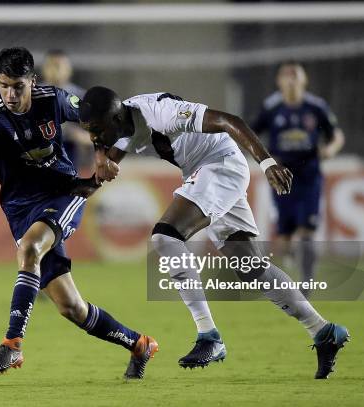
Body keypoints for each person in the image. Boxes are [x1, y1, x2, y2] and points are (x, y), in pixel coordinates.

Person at [80, 86, 349, 379]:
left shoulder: (161, 114)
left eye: (96, 130)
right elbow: (101, 170)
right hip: (205, 172)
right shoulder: (119, 125)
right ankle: (323, 331)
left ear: (115, 120)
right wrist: (80, 181)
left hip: (221, 165)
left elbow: (230, 121)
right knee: (250, 268)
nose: (94, 138)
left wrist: (267, 163)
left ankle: (209, 336)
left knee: (166, 237)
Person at [0, 47, 157, 380]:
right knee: (71, 308)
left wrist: (101, 156)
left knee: (29, 249)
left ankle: (13, 343)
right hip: (20, 208)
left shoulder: (54, 99)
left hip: (63, 192)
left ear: (32, 80)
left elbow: (94, 120)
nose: (10, 94)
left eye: (17, 86)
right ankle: (139, 344)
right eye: (3, 85)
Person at [251, 61, 345, 293]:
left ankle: (307, 283)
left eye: (295, 76)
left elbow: (336, 135)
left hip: (309, 176)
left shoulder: (316, 107)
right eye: (286, 75)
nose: (291, 80)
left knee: (307, 230)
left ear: (304, 80)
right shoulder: (271, 108)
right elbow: (251, 135)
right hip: (281, 177)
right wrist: (267, 160)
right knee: (284, 237)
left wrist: (330, 150)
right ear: (279, 82)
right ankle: (293, 259)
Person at [41, 49, 93, 171]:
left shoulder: (81, 97)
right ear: (44, 69)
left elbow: (96, 135)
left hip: (70, 152)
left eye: (60, 66)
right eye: (53, 66)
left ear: (69, 69)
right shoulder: (31, 96)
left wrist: (79, 136)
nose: (56, 71)